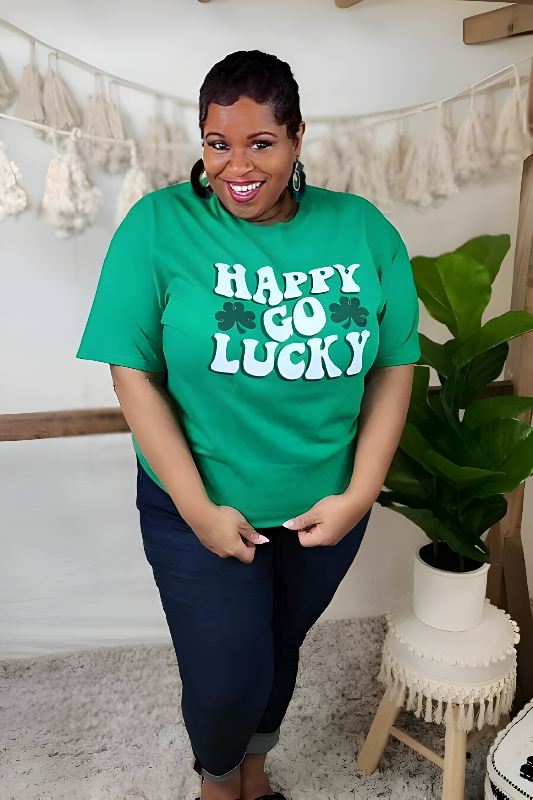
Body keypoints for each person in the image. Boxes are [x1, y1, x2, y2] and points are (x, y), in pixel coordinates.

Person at [76, 50, 421, 800]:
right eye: (217, 143)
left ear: (296, 137)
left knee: (277, 649)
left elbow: (394, 367)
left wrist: (359, 495)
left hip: (322, 506)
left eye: (260, 143)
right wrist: (198, 510)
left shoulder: (360, 229)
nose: (237, 165)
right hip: (197, 503)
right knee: (226, 669)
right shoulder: (159, 226)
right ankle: (216, 782)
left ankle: (255, 773)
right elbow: (130, 374)